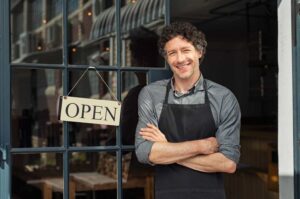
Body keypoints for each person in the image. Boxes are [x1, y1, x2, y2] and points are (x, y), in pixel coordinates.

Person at [135, 21, 241, 199]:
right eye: (172, 53)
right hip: (167, 194)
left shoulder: (223, 97)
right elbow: (145, 153)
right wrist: (203, 145)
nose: (180, 59)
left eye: (185, 50)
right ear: (166, 58)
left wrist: (166, 148)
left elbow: (228, 163)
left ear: (199, 52)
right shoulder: (151, 95)